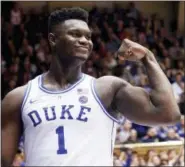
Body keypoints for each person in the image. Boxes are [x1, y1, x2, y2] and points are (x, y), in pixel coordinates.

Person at [2, 7, 181, 166]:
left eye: (88, 36)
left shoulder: (107, 89)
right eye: (75, 34)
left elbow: (168, 114)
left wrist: (148, 58)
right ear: (53, 39)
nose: (84, 40)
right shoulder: (18, 98)